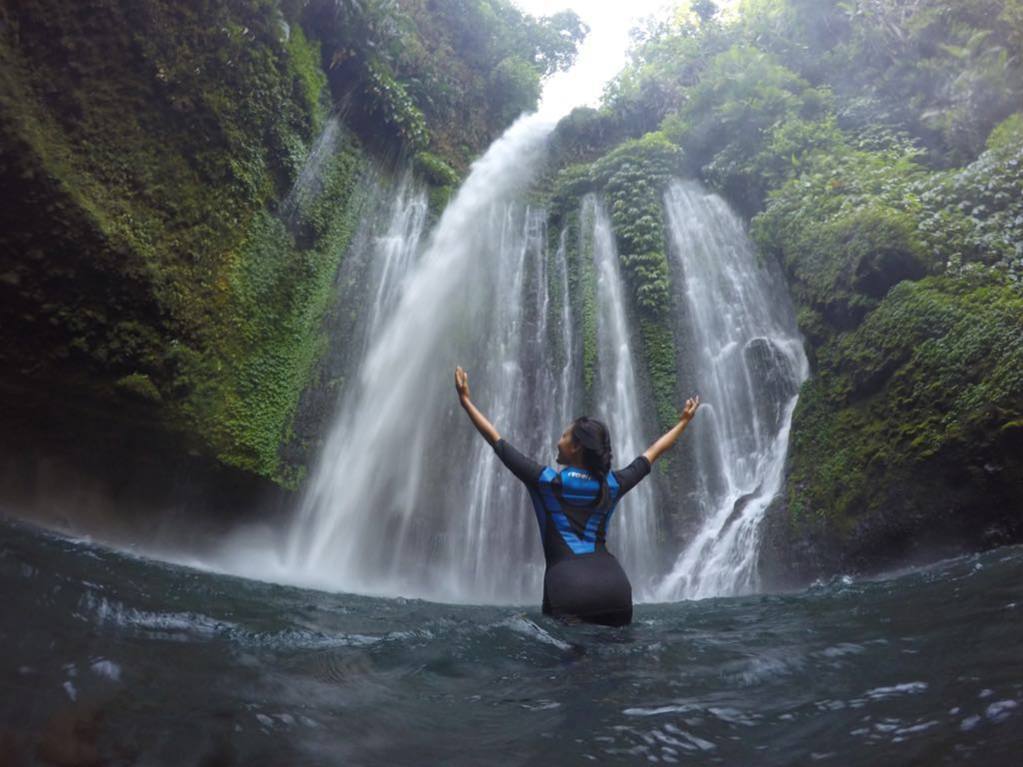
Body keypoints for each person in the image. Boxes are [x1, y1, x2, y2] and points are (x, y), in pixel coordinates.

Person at [454, 365, 701, 627]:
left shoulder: (546, 481)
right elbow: (652, 452)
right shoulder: (612, 484)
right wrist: (683, 422)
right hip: (616, 589)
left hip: (568, 589)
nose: (557, 441)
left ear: (575, 447)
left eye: (563, 436)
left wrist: (466, 402)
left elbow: (497, 442)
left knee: (568, 663)